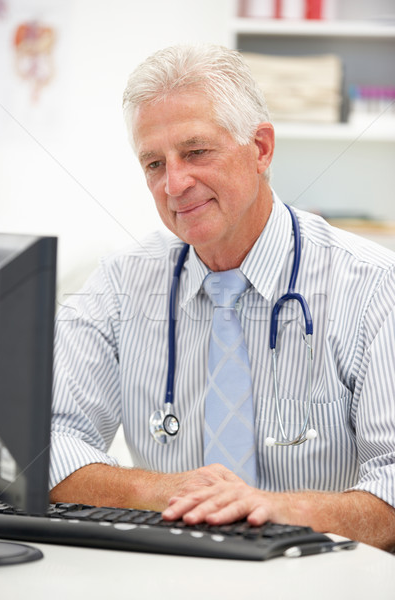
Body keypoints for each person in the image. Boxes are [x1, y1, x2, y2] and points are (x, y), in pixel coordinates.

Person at [50, 44, 395, 551]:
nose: (174, 183)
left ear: (260, 149)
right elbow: (41, 445)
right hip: (172, 570)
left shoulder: (373, 287)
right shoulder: (120, 283)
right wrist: (166, 490)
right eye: (153, 163)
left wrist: (277, 509)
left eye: (195, 152)